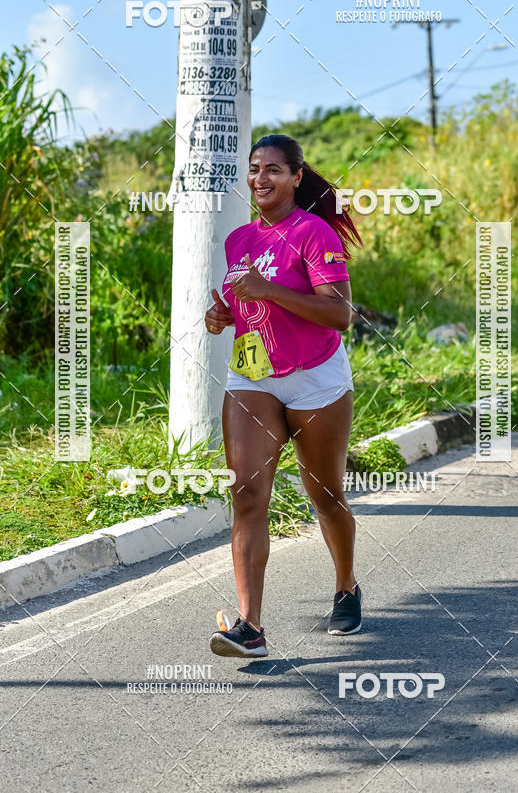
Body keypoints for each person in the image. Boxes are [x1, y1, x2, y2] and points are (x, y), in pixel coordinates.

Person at [204, 134, 363, 658]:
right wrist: (221, 316)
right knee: (247, 495)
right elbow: (242, 304)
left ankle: (346, 586)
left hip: (315, 376)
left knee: (325, 497)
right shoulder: (239, 240)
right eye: (254, 169)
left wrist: (269, 290)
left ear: (296, 177)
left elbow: (340, 315)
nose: (261, 179)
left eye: (273, 169)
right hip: (254, 377)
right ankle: (249, 626)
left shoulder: (314, 234)